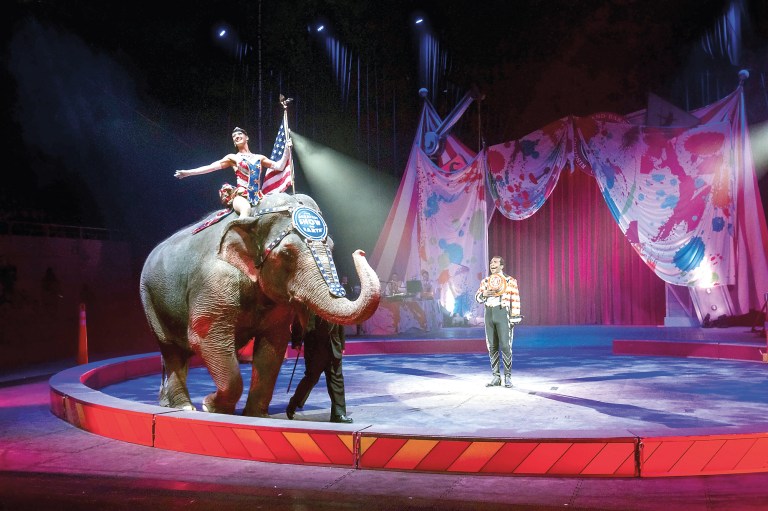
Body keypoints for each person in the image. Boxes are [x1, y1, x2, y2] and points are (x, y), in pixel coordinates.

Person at [174, 127, 291, 218]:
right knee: (246, 210)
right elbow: (210, 167)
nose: (236, 137)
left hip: (258, 197)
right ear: (234, 142)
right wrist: (188, 173)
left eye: (239, 134)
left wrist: (287, 148)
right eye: (234, 136)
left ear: (247, 137)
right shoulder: (233, 158)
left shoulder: (259, 158)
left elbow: (279, 166)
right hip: (241, 196)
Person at [286, 311, 353, 423]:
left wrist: (341, 343)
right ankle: (293, 404)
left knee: (337, 380)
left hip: (333, 345)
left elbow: (340, 320)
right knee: (311, 378)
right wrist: (297, 340)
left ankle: (339, 414)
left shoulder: (335, 300)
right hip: (314, 347)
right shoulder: (309, 301)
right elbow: (300, 316)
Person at [475, 256, 521, 388]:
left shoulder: (510, 281)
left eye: (495, 262)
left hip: (502, 313)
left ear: (501, 266)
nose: (492, 264)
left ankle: (508, 376)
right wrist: (484, 294)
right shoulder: (485, 281)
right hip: (489, 313)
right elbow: (477, 297)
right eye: (491, 262)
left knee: (506, 346)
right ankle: (496, 377)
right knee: (492, 346)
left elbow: (515, 299)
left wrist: (514, 317)